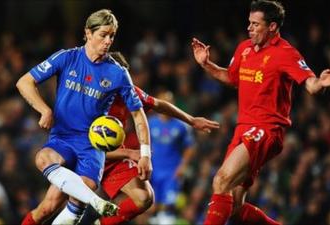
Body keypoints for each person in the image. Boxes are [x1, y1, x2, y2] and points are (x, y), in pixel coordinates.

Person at [191, 1, 330, 225]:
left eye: (255, 24)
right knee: (235, 208)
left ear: (272, 27)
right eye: (249, 23)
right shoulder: (244, 48)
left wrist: (320, 82)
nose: (249, 28)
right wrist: (207, 64)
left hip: (267, 129)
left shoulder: (285, 53)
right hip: (243, 128)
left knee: (221, 180)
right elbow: (232, 79)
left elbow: (309, 84)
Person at [18, 9, 152, 225]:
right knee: (43, 162)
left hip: (92, 145)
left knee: (77, 194)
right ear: (88, 33)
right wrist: (45, 109)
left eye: (112, 36)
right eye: (103, 35)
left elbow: (139, 114)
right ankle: (95, 202)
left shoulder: (118, 73)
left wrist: (145, 153)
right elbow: (24, 82)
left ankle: (90, 199)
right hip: (62, 137)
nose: (108, 41)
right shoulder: (67, 57)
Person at [77, 52, 220, 225]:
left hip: (113, 158)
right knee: (56, 206)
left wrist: (191, 120)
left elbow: (159, 104)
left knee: (144, 198)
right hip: (87, 158)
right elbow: (85, 148)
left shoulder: (127, 90)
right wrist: (129, 153)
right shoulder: (88, 98)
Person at [148, 89, 197, 224]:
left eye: (170, 101)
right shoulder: (150, 123)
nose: (167, 104)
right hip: (154, 170)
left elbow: (190, 147)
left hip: (172, 171)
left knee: (168, 204)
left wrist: (183, 166)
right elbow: (145, 144)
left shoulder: (181, 125)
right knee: (151, 205)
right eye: (164, 101)